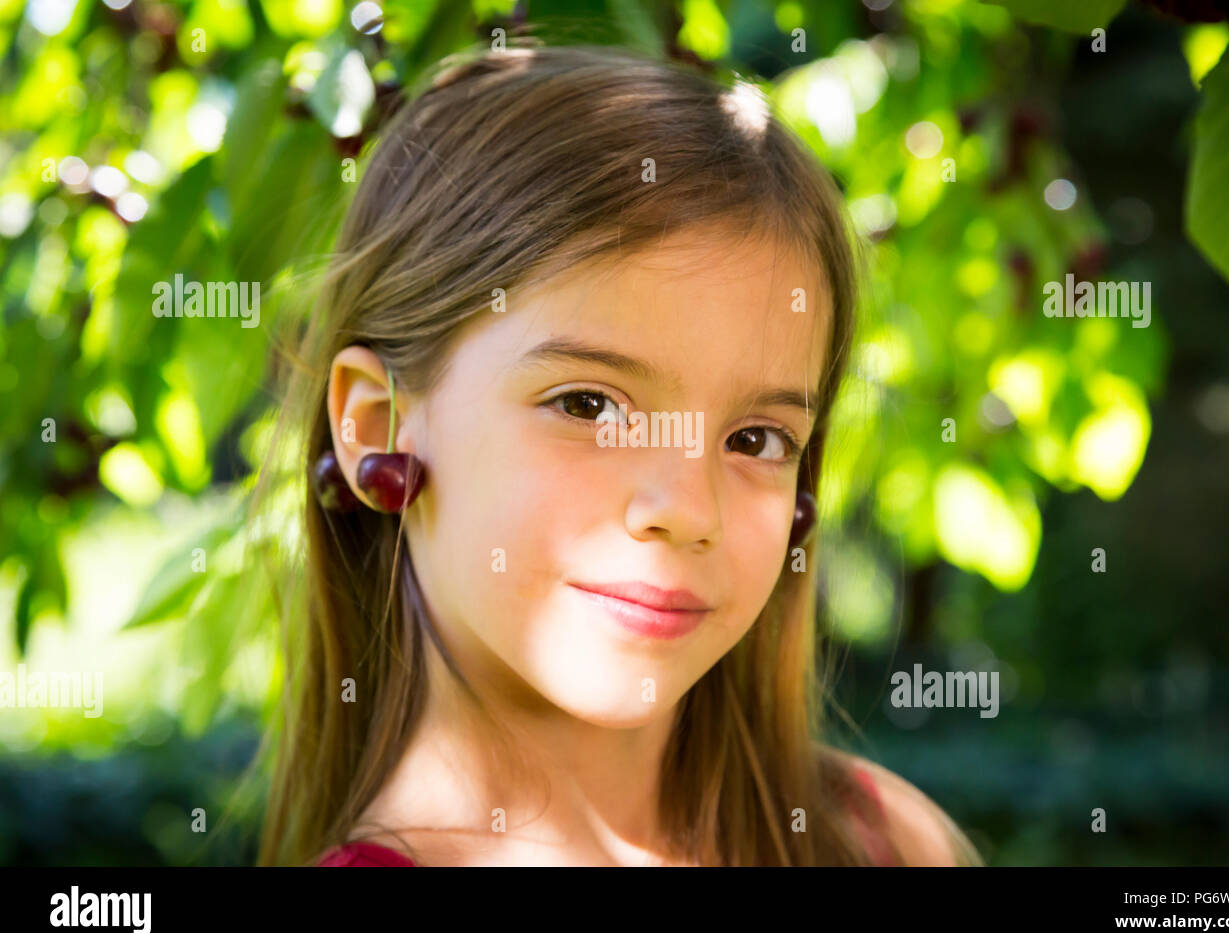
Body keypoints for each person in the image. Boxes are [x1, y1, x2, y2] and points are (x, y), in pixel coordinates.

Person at [253, 41, 982, 867]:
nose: (688, 509)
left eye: (756, 439)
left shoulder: (885, 842)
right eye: (588, 405)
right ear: (377, 427)